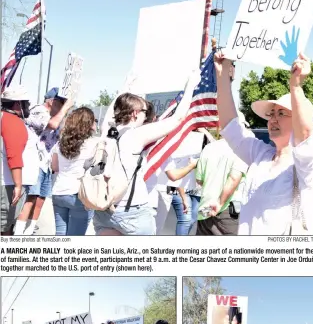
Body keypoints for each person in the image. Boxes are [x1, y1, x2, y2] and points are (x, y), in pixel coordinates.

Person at [215, 51, 313, 234]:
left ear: (297, 120)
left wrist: (296, 86)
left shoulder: (306, 166)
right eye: (271, 114)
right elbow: (230, 127)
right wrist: (222, 74)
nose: (273, 119)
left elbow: (305, 138)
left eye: (281, 114)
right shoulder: (261, 155)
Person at [94, 70, 200, 236]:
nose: (147, 115)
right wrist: (191, 86)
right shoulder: (136, 135)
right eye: (145, 112)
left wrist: (124, 87)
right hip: (132, 212)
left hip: (103, 210)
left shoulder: (107, 130)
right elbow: (177, 119)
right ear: (135, 113)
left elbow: (111, 111)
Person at [15, 87, 73, 235]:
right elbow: (52, 125)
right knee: (30, 198)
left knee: (40, 199)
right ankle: (18, 233)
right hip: (33, 162)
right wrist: (65, 109)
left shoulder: (56, 116)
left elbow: (63, 134)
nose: (63, 107)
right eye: (62, 103)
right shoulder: (38, 110)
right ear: (52, 101)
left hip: (45, 163)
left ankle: (30, 230)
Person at [51, 107, 98, 235]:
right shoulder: (94, 144)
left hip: (59, 191)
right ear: (88, 124)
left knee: (60, 234)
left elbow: (54, 167)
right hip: (79, 193)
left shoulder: (60, 143)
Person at [195, 137, 247, 235]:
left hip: (205, 208)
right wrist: (219, 202)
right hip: (226, 210)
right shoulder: (241, 148)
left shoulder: (209, 148)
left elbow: (199, 180)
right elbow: (234, 178)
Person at [1, 86, 31, 235]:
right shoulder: (12, 121)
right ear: (17, 103)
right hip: (5, 184)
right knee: (5, 229)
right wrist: (18, 185)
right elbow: (14, 156)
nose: (27, 106)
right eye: (26, 103)